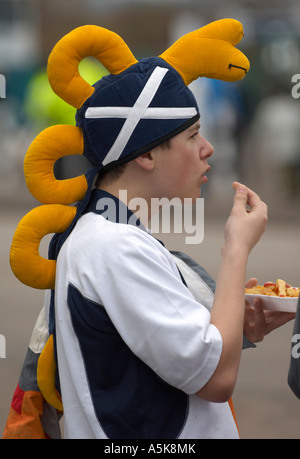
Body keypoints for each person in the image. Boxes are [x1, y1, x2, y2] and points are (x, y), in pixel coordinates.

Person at [4, 21, 294, 439]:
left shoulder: (103, 238)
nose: (207, 148)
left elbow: (147, 355)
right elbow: (215, 379)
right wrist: (237, 247)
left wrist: (240, 326)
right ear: (146, 155)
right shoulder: (113, 247)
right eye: (193, 134)